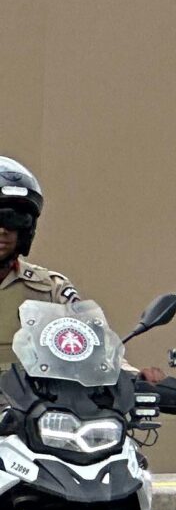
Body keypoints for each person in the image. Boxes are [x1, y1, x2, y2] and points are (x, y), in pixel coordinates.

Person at [0, 159, 88, 373]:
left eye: (14, 220)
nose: (3, 230)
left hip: (27, 394)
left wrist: (134, 375)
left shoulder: (50, 289)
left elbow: (90, 345)